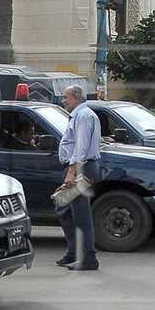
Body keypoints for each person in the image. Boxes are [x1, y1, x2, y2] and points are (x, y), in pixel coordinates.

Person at [57, 85, 102, 269]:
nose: (64, 100)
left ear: (76, 97)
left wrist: (71, 171)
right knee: (64, 211)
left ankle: (89, 259)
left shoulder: (83, 116)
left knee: (81, 215)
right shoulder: (80, 115)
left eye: (66, 97)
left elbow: (81, 148)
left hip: (81, 169)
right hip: (78, 168)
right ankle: (73, 252)